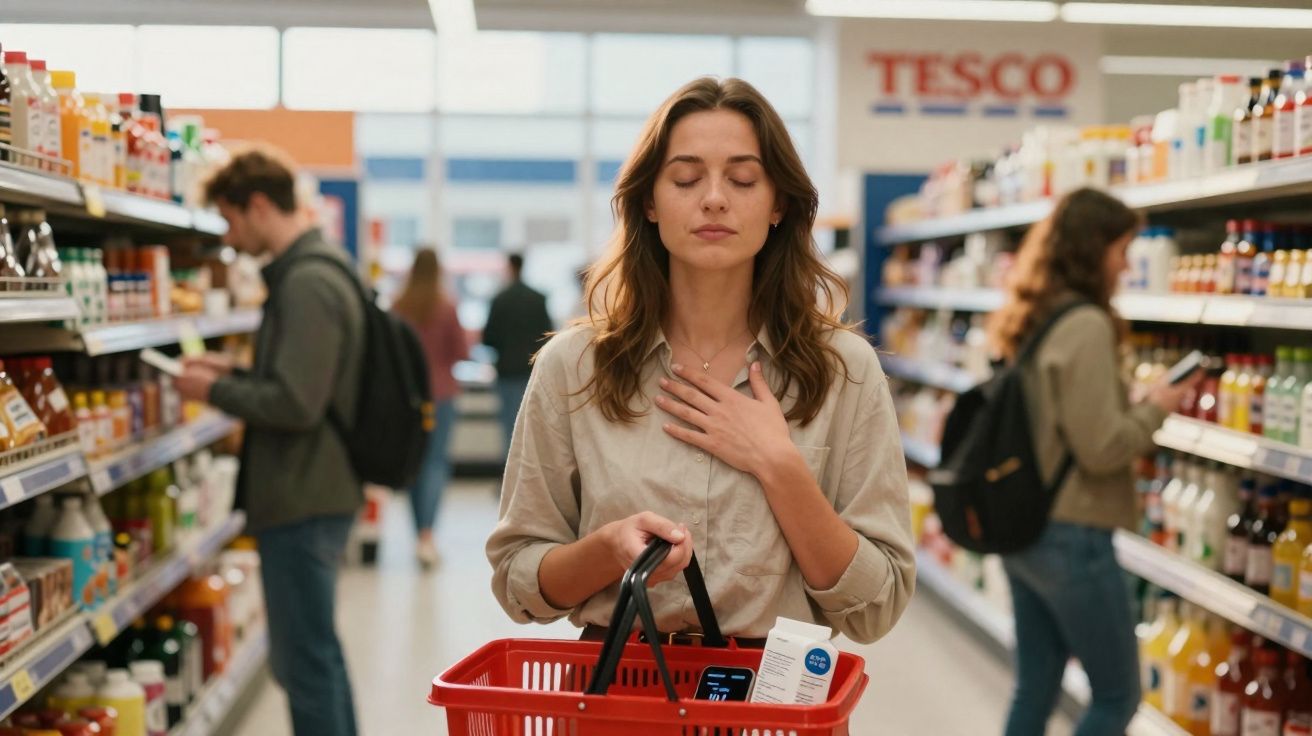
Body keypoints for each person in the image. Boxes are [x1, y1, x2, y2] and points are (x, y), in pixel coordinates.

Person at [486, 77, 915, 646]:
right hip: (622, 693)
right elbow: (518, 581)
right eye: (686, 178)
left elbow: (876, 606)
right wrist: (609, 549)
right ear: (649, 202)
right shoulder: (574, 366)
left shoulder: (846, 370)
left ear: (778, 204)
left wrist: (779, 465)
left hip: (775, 703)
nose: (714, 197)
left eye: (742, 178)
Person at [986, 188, 1198, 736]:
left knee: (1036, 685)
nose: (1127, 263)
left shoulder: (1036, 313)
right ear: (1093, 248)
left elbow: (1062, 420)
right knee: (1117, 695)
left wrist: (1125, 401)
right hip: (1071, 534)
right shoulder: (1086, 324)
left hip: (1023, 525)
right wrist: (1156, 410)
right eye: (1121, 247)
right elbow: (1100, 448)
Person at [173, 146, 363, 736]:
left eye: (230, 220)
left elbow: (296, 403)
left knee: (306, 662)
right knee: (310, 657)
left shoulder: (307, 281)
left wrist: (217, 393)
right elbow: (300, 383)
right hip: (310, 488)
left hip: (304, 494)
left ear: (259, 206)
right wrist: (231, 377)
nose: (229, 239)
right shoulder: (313, 270)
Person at [390, 247, 469, 568]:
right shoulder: (446, 307)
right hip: (442, 395)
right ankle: (427, 535)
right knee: (436, 464)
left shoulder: (398, 306)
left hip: (407, 398)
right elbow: (462, 351)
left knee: (414, 464)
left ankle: (417, 533)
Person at [481, 253, 553, 465]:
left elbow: (488, 337)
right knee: (532, 428)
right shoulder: (538, 299)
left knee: (509, 428)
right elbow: (547, 335)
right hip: (532, 371)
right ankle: (529, 475)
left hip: (506, 371)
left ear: (509, 267)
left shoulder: (499, 299)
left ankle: (510, 474)